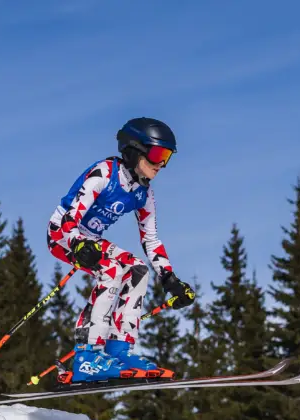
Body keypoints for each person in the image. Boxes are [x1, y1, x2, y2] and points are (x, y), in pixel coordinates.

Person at [45, 117, 196, 383]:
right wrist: (77, 242)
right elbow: (70, 216)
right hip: (63, 233)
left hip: (91, 238)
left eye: (167, 158)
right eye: (157, 155)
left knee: (138, 269)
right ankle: (87, 355)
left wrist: (169, 278)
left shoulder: (143, 193)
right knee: (111, 270)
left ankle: (119, 350)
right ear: (134, 150)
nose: (161, 165)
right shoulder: (104, 174)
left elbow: (151, 239)